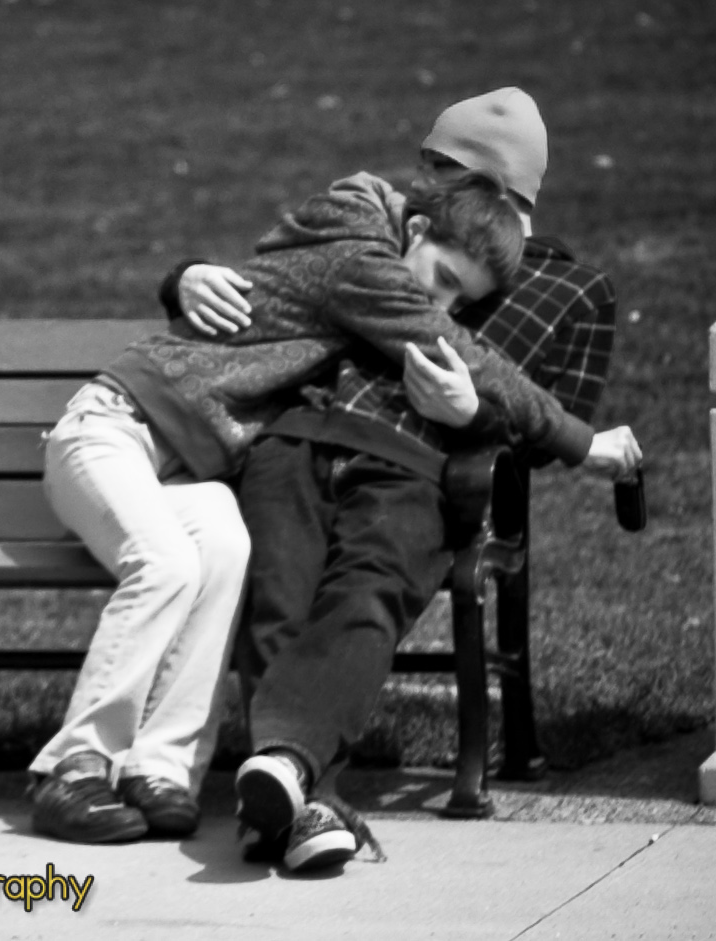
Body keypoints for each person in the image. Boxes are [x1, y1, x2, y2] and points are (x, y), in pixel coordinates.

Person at [162, 87, 643, 871]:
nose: (426, 184)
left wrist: (470, 413)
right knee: (276, 588)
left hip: (417, 473)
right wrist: (184, 278)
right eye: (428, 168)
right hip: (302, 435)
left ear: (505, 197)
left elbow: (529, 425)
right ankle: (301, 797)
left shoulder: (554, 287)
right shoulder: (382, 238)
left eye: (448, 173)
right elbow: (277, 289)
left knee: (368, 587)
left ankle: (283, 774)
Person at [31, 169, 585, 845]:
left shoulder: (375, 258)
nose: (440, 302)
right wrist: (582, 442)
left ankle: (162, 770)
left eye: (457, 296)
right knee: (168, 560)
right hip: (112, 428)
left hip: (189, 473)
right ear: (414, 230)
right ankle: (74, 765)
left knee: (228, 557)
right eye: (441, 276)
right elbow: (462, 354)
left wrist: (185, 274)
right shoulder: (364, 265)